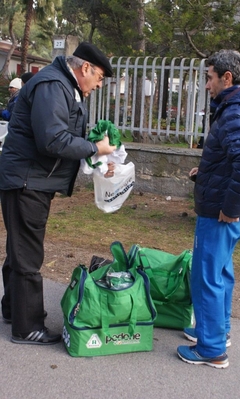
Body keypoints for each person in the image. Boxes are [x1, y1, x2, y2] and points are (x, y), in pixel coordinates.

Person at [0, 42, 116, 345]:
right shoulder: (53, 85)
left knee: (19, 248)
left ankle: (14, 309)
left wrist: (102, 160)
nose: (99, 85)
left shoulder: (67, 86)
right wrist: (94, 148)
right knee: (27, 254)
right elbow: (52, 140)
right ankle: (27, 327)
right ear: (85, 68)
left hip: (32, 179)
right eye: (100, 77)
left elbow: (73, 137)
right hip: (28, 180)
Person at [177, 50, 240, 368]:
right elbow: (235, 158)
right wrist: (206, 173)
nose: (206, 85)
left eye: (209, 77)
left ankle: (211, 349)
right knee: (222, 273)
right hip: (226, 209)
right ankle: (216, 331)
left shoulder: (234, 113)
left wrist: (229, 207)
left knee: (206, 277)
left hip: (220, 212)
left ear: (227, 78)